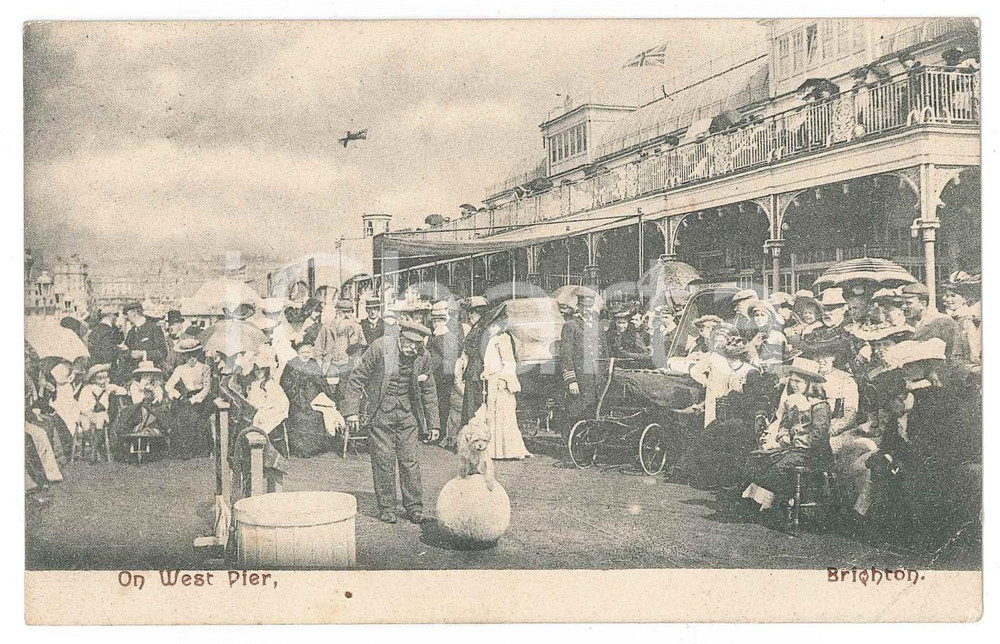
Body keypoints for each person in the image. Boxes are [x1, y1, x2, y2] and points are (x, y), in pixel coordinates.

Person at [341, 321, 440, 524]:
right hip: (380, 415)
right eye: (410, 342)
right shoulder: (380, 347)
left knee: (410, 461)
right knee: (383, 462)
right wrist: (352, 412)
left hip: (408, 416)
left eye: (417, 344)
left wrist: (434, 424)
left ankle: (414, 507)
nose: (413, 348)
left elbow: (429, 390)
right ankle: (387, 507)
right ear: (400, 335)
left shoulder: (423, 356)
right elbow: (356, 379)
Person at [743, 357, 831, 513]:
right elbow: (784, 424)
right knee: (758, 458)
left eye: (799, 382)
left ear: (810, 384)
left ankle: (782, 502)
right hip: (792, 449)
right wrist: (783, 436)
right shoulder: (792, 401)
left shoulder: (819, 406)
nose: (794, 385)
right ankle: (761, 502)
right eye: (792, 381)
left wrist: (796, 441)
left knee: (778, 467)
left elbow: (818, 435)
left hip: (813, 452)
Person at [480, 309, 531, 460]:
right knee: (493, 414)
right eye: (490, 325)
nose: (490, 328)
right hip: (493, 380)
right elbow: (491, 361)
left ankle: (508, 450)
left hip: (501, 382)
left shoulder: (503, 339)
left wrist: (503, 379)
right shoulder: (493, 340)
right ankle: (495, 450)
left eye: (493, 325)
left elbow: (509, 362)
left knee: (504, 415)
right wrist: (486, 371)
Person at [279, 340, 335, 457]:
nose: (306, 354)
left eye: (308, 352)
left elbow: (322, 382)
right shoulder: (291, 364)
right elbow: (285, 384)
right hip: (295, 401)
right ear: (297, 353)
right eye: (303, 352)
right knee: (302, 418)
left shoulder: (313, 363)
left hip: (312, 399)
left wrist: (317, 385)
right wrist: (300, 383)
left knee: (318, 415)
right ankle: (301, 449)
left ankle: (315, 448)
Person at [559, 288, 603, 434]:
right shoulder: (570, 326)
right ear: (579, 307)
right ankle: (572, 441)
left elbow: (605, 353)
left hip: (598, 377)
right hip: (581, 377)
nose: (587, 310)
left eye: (590, 306)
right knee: (578, 410)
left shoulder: (598, 326)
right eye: (584, 306)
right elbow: (566, 356)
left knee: (596, 410)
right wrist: (571, 380)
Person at [165, 338, 213, 459]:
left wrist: (195, 399)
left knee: (197, 418)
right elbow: (168, 386)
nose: (192, 359)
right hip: (185, 398)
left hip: (201, 399)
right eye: (188, 356)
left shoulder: (204, 368)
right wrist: (178, 395)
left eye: (194, 356)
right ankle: (183, 451)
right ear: (184, 357)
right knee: (180, 418)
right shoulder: (180, 369)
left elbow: (206, 388)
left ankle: (200, 451)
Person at [428, 300, 464, 445]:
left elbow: (452, 351)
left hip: (446, 372)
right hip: (436, 372)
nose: (436, 320)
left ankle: (443, 433)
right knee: (436, 402)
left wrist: (439, 338)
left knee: (444, 403)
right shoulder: (437, 326)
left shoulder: (453, 327)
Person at [77, 364, 128, 461]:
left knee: (100, 423)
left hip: (101, 413)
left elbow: (123, 391)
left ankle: (93, 451)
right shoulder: (87, 389)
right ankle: (93, 447)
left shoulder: (108, 388)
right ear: (92, 379)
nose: (101, 379)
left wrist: (114, 389)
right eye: (98, 377)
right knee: (85, 424)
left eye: (103, 377)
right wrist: (88, 413)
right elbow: (82, 404)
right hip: (87, 413)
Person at [314, 299, 367, 387]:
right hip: (331, 366)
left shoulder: (357, 328)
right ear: (337, 312)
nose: (346, 316)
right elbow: (318, 349)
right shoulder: (327, 327)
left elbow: (363, 347)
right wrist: (322, 365)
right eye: (343, 312)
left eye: (349, 312)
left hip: (349, 367)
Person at [899, 282, 959, 358]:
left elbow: (953, 353)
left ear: (923, 304)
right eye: (902, 303)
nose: (903, 307)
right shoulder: (905, 323)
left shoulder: (942, 321)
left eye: (908, 303)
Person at [457, 296, 491, 426]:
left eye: (472, 312)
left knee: (474, 404)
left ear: (480, 312)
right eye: (469, 312)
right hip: (473, 369)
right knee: (470, 403)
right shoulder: (477, 327)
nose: (469, 315)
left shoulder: (482, 329)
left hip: (477, 371)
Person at [940, 272, 981, 366]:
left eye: (953, 296)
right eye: (946, 295)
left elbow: (974, 353)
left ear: (965, 299)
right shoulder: (954, 318)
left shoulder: (968, 319)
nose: (946, 299)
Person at [122, 301, 169, 371]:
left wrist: (143, 354)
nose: (125, 317)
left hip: (152, 371)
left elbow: (162, 352)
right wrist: (125, 350)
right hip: (134, 373)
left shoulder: (154, 328)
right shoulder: (131, 332)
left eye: (126, 314)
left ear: (134, 313)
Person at [747, 300, 787, 371]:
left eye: (763, 315)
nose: (759, 318)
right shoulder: (750, 335)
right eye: (757, 315)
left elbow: (783, 358)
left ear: (769, 318)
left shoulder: (777, 336)